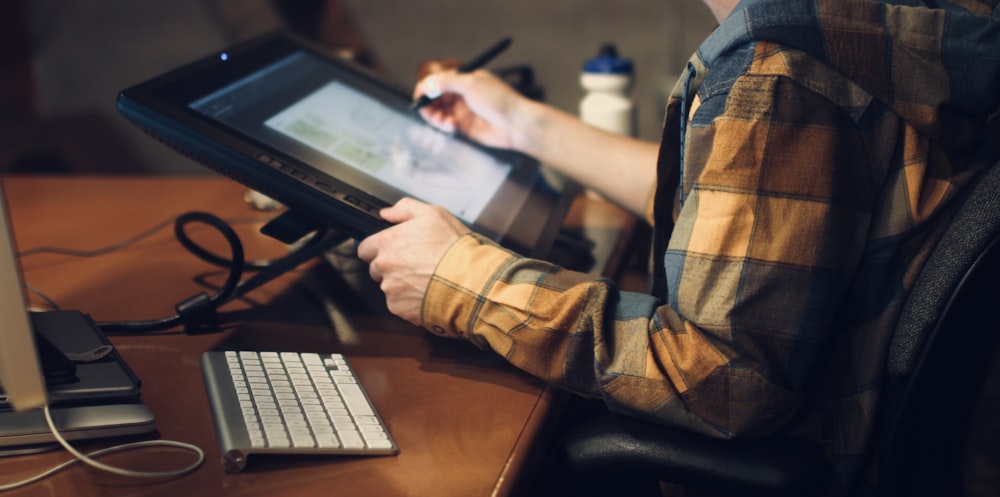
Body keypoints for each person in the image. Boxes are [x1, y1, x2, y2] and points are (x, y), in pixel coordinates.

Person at [357, 0, 1000, 493]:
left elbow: (721, 381)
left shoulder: (778, 72)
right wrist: (521, 122)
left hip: (815, 459)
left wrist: (465, 282)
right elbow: (741, 208)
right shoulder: (875, 22)